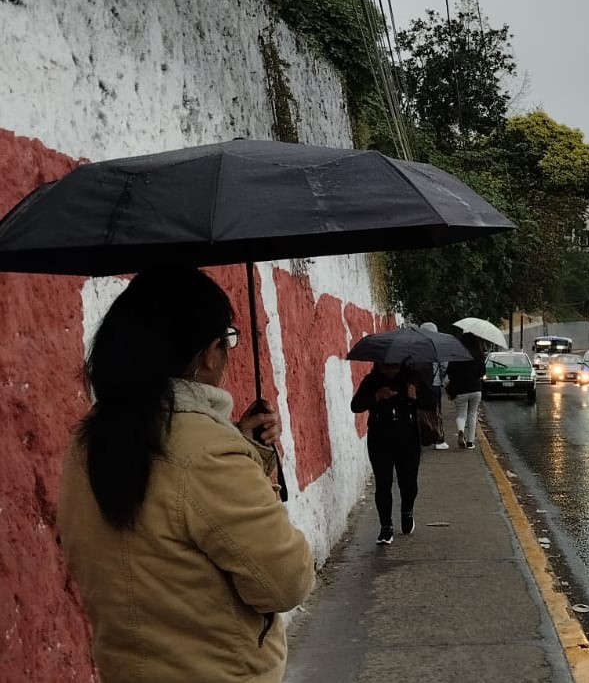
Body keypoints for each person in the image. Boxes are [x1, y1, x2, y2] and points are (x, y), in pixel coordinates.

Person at [56, 267, 315, 683]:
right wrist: (242, 462)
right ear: (210, 352)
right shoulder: (209, 451)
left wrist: (241, 446)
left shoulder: (88, 441)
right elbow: (286, 582)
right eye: (228, 340)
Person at [351, 361, 434, 544]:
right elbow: (356, 406)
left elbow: (431, 400)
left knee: (409, 484)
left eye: (394, 367)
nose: (390, 371)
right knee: (383, 483)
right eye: (385, 366)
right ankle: (385, 527)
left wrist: (416, 396)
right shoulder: (371, 381)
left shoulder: (412, 379)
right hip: (380, 441)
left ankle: (407, 512)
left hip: (408, 440)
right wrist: (376, 397)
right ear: (378, 365)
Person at [446, 332, 486, 449]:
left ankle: (460, 431)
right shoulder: (479, 354)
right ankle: (470, 442)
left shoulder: (456, 355)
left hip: (461, 389)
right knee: (472, 414)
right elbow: (482, 372)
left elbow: (450, 372)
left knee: (461, 414)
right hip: (476, 389)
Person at [418, 321, 449, 450]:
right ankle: (439, 439)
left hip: (419, 385)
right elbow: (444, 366)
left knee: (420, 411)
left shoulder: (417, 346)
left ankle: (421, 436)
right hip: (434, 385)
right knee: (436, 412)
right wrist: (442, 381)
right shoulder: (438, 347)